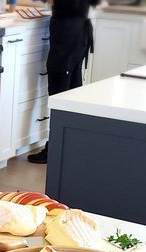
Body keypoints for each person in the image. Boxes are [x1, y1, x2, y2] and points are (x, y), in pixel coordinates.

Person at [28, 0, 98, 165]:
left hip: (67, 35)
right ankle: (70, 146)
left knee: (59, 96)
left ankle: (55, 149)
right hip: (79, 34)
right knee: (72, 93)